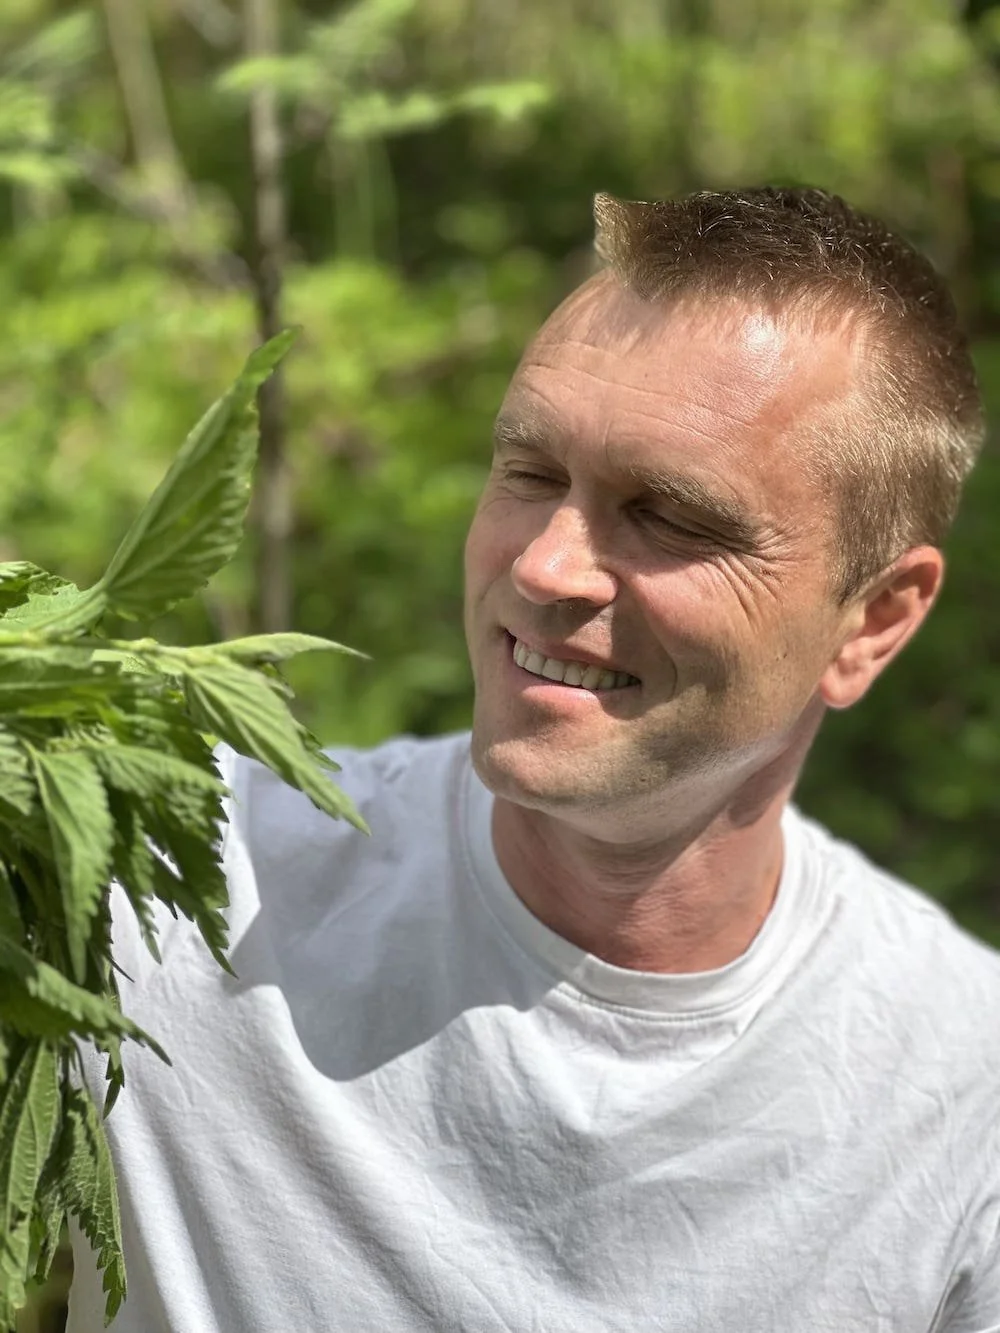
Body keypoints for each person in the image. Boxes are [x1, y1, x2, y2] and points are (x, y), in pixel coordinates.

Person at [69, 188, 1000, 1332]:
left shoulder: (962, 1103)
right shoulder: (157, 883)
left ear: (873, 622)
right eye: (529, 472)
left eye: (668, 514)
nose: (549, 565)